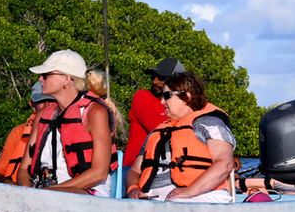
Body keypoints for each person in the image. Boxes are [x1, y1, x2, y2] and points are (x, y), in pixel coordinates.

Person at [125, 70, 237, 202]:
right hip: (157, 200)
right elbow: (135, 171)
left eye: (167, 96)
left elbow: (225, 164)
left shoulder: (211, 124)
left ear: (187, 97)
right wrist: (133, 189)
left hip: (201, 196)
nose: (162, 102)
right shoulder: (157, 133)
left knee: (174, 203)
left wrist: (189, 191)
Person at [16, 50, 117, 195]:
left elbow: (99, 173)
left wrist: (48, 192)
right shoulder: (42, 116)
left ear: (66, 79)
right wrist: (26, 191)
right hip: (44, 191)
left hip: (87, 192)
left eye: (46, 75)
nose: (40, 79)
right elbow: (25, 167)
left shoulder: (95, 112)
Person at [0, 80, 54, 184]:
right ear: (32, 105)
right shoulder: (18, 132)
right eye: (41, 101)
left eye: (50, 100)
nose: (46, 106)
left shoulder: (62, 131)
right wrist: (9, 184)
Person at [122, 57, 184, 169]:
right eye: (153, 76)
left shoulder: (182, 106)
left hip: (167, 168)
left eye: (161, 78)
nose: (155, 81)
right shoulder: (141, 96)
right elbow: (162, 131)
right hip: (135, 167)